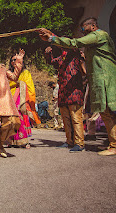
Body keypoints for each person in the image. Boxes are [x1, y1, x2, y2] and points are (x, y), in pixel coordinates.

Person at [38, 17, 116, 156]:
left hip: (99, 80)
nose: (81, 32)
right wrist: (51, 38)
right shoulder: (63, 57)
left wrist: (52, 37)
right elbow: (54, 61)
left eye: (83, 28)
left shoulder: (97, 36)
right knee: (103, 112)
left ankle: (108, 144)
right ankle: (72, 141)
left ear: (92, 26)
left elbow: (74, 43)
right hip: (76, 87)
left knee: (104, 113)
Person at [45, 46, 86, 152]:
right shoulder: (61, 59)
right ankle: (69, 141)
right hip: (63, 92)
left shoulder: (76, 57)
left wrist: (82, 59)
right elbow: (51, 62)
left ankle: (79, 143)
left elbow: (84, 72)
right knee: (66, 119)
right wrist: (48, 54)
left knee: (76, 118)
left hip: (74, 91)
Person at [9, 50, 37, 148]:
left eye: (16, 60)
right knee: (11, 119)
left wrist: (20, 84)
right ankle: (12, 141)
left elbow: (30, 87)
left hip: (22, 99)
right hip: (10, 98)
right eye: (13, 60)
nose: (14, 62)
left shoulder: (25, 72)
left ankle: (24, 140)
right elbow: (6, 85)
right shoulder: (9, 73)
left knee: (20, 117)